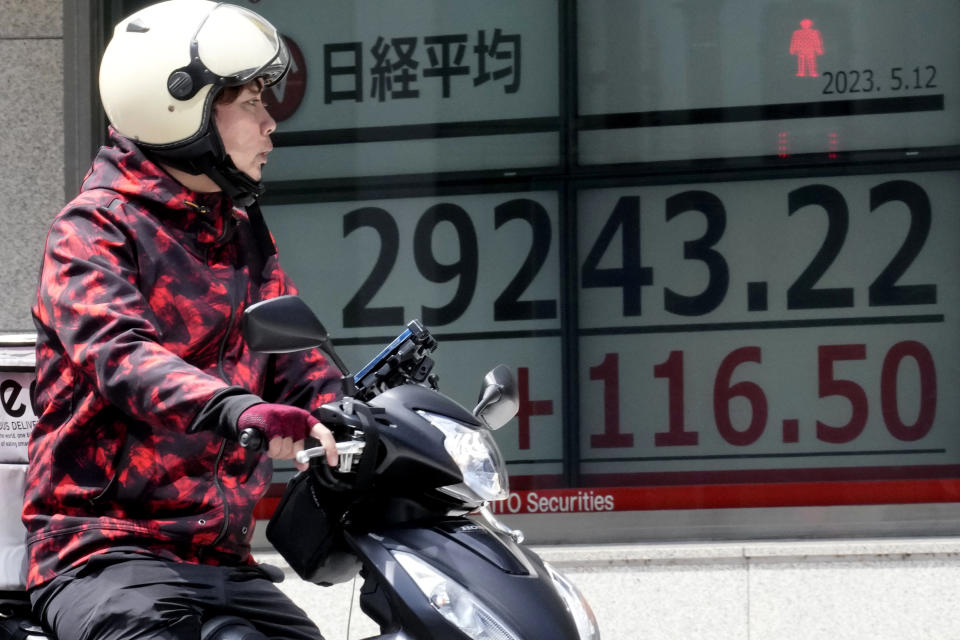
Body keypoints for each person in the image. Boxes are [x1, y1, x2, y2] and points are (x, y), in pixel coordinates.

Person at [23, 2, 340, 638]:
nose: (268, 122)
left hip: (221, 556)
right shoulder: (93, 229)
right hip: (104, 551)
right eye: (248, 101)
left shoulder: (240, 231)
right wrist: (240, 409)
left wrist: (346, 411)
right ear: (179, 109)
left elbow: (293, 360)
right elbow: (123, 359)